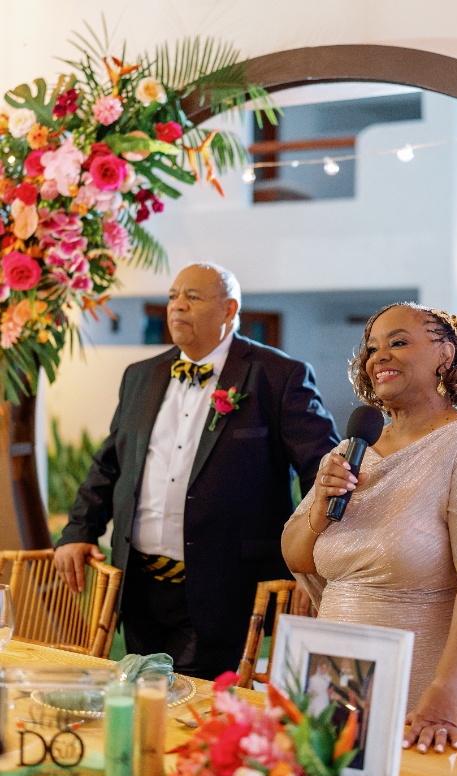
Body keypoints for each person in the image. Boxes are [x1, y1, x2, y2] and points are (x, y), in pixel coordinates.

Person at [54, 262, 339, 679]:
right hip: (140, 584)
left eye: (193, 296)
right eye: (172, 296)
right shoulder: (141, 375)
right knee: (143, 694)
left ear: (229, 309)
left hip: (225, 586)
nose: (177, 306)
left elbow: (323, 472)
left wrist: (311, 561)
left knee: (193, 701)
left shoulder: (278, 377)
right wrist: (79, 531)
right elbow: (110, 463)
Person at [282, 302, 457, 752]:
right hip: (337, 687)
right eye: (372, 348)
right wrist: (319, 506)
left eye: (398, 342)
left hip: (425, 701)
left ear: (445, 355)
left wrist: (447, 693)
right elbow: (298, 557)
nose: (380, 356)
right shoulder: (349, 452)